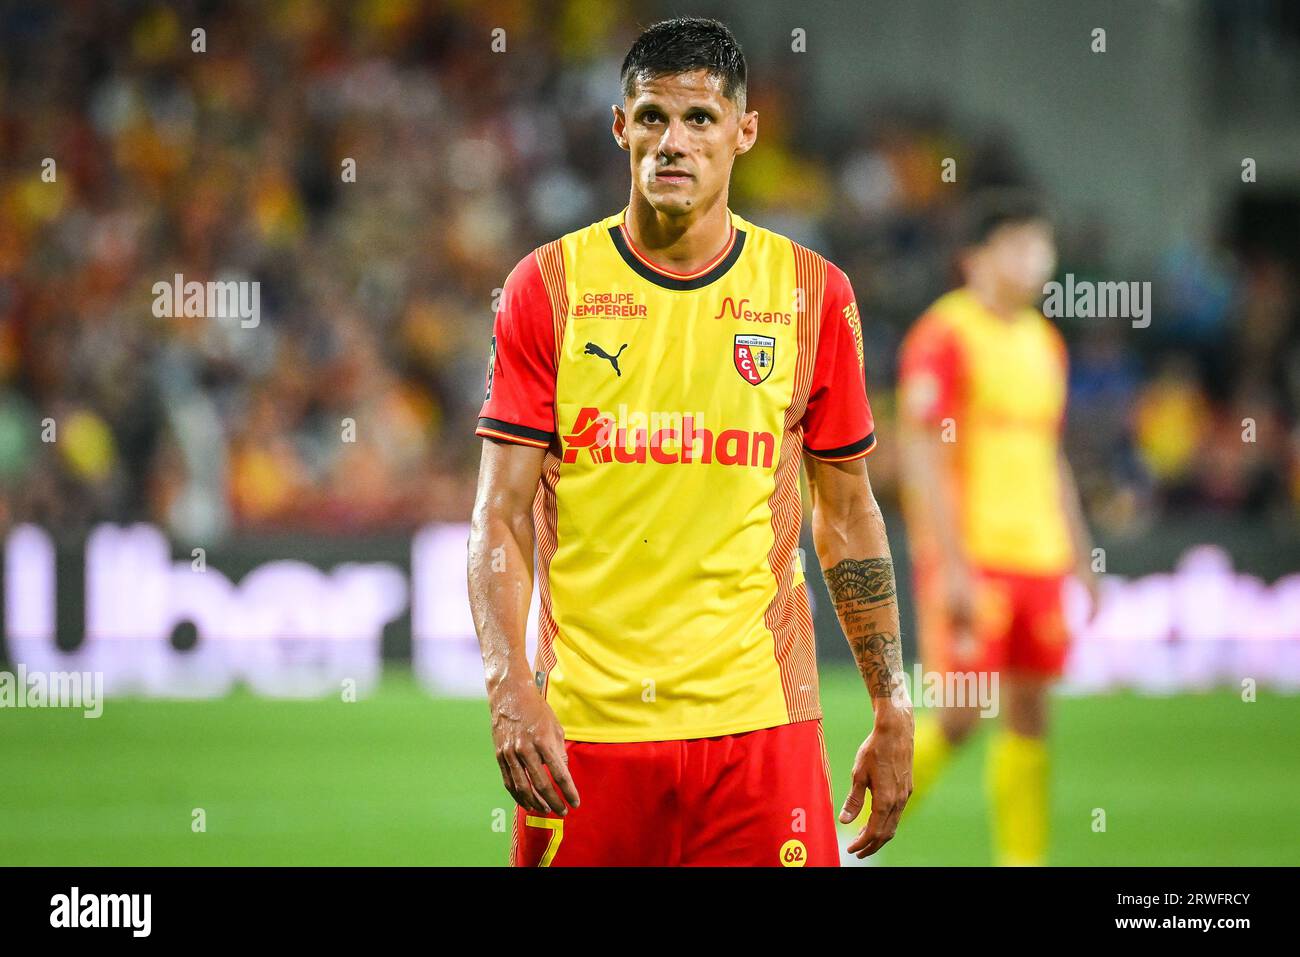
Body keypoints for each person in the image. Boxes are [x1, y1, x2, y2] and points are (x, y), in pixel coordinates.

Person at [467, 17, 912, 866]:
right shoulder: (547, 287)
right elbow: (500, 515)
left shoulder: (813, 294)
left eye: (701, 119)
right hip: (588, 739)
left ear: (744, 132)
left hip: (760, 734)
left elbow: (850, 512)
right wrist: (508, 687)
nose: (674, 142)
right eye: (651, 117)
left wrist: (891, 703)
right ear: (619, 127)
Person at [897, 190, 1099, 866]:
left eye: (1039, 244)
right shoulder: (944, 334)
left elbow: (1052, 456)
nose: (1035, 259)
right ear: (975, 257)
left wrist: (1081, 557)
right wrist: (949, 562)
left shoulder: (1045, 342)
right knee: (959, 715)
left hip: (1038, 556)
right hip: (975, 557)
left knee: (1033, 716)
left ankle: (1023, 860)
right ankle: (853, 840)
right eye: (1017, 244)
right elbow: (920, 452)